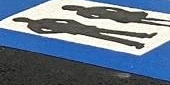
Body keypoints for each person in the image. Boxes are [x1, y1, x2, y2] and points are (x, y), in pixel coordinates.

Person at [11, 16, 156, 50]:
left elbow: (65, 20)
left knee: (108, 32)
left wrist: (75, 25)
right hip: (75, 30)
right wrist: (63, 30)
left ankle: (142, 36)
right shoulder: (33, 25)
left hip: (77, 28)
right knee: (106, 36)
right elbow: (44, 33)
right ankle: (136, 42)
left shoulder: (40, 21)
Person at [60, 3, 170, 29]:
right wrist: (110, 16)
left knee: (145, 19)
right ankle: (169, 25)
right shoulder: (82, 13)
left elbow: (108, 8)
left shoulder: (89, 9)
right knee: (144, 22)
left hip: (119, 15)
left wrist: (120, 11)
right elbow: (95, 17)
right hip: (117, 16)